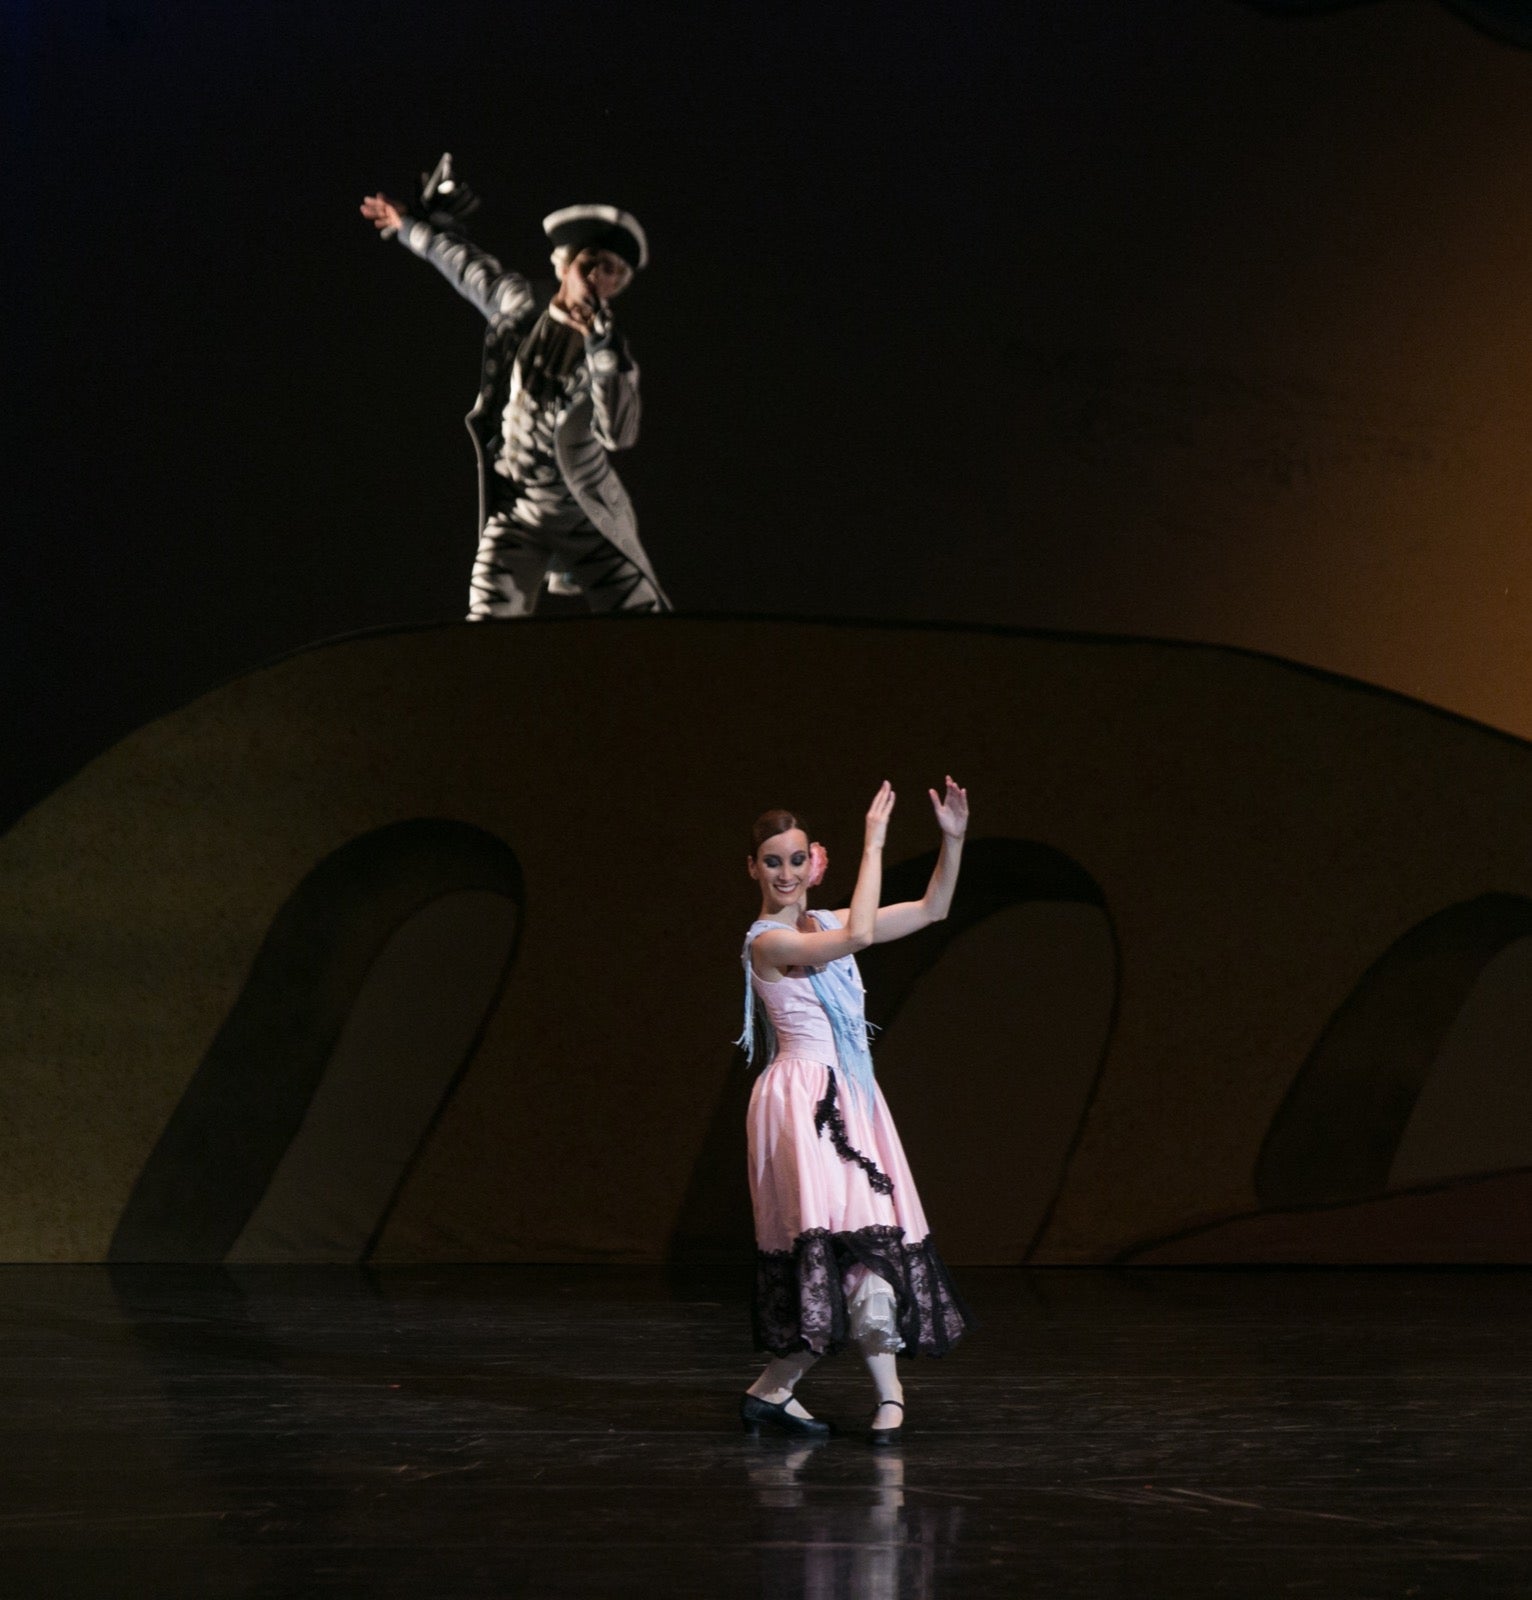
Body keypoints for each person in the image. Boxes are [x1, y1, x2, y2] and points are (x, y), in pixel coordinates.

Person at [738, 778, 975, 1445]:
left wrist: (951, 840)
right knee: (831, 1243)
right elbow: (864, 933)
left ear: (815, 860)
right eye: (772, 861)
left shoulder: (832, 919)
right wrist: (875, 839)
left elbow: (933, 909)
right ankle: (778, 1390)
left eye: (795, 858)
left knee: (870, 1237)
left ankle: (865, 1398)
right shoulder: (767, 943)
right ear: (754, 869)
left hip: (851, 1096)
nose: (785, 872)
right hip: (802, 1100)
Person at [359, 185, 669, 618]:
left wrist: (604, 353)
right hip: (518, 509)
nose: (599, 277)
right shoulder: (520, 306)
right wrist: (408, 225)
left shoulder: (612, 356)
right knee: (487, 620)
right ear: (564, 264)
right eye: (591, 263)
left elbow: (618, 434)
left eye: (614, 271)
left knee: (641, 615)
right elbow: (467, 268)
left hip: (584, 513)